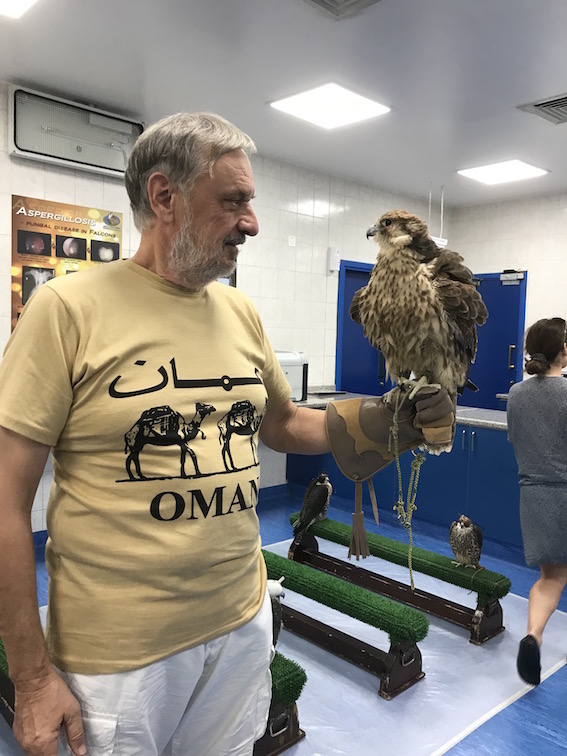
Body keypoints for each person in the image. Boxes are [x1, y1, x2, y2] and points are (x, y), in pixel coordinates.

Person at [0, 111, 455, 756]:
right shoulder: (66, 310)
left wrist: (390, 420)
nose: (252, 222)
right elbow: (5, 501)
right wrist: (32, 677)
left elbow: (285, 424)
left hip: (241, 628)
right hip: (121, 659)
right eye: (233, 201)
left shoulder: (240, 312)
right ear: (165, 197)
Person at [507, 317, 567, 686]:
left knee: (550, 578)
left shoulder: (516, 395)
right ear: (564, 351)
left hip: (533, 497)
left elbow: (516, 440)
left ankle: (533, 635)